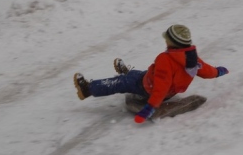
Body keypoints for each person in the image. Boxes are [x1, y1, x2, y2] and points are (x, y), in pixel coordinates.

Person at [73, 24, 229, 124]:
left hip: (148, 88)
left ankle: (87, 89)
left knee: (121, 83)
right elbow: (207, 71)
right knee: (140, 74)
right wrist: (219, 71)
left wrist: (150, 108)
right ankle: (128, 72)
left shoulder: (165, 59)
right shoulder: (192, 58)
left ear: (171, 43)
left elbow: (161, 87)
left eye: (167, 40)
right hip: (160, 84)